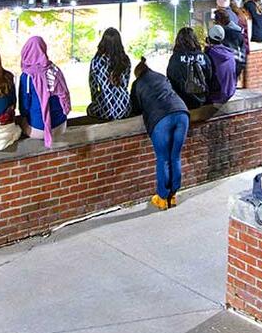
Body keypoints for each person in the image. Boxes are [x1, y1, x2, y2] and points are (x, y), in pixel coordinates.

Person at [129, 58, 189, 210]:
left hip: (161, 119)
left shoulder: (137, 84)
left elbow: (134, 108)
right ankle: (173, 196)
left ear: (138, 73)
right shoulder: (161, 77)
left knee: (163, 159)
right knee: (175, 156)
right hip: (181, 113)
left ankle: (162, 198)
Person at [18, 35, 72, 147]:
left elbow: (24, 107)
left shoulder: (27, 76)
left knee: (21, 122)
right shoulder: (55, 70)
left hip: (39, 129)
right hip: (61, 124)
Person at [86, 27, 131, 120]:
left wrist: (96, 100)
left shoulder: (96, 61)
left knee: (90, 109)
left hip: (105, 109)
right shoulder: (125, 60)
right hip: (125, 108)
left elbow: (93, 86)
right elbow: (125, 84)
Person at [166, 27, 213, 109]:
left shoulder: (175, 59)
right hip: (202, 101)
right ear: (194, 39)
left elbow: (170, 81)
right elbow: (209, 77)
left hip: (182, 103)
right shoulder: (204, 57)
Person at [204, 24, 237, 103]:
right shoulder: (230, 53)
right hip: (230, 92)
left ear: (208, 39)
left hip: (217, 95)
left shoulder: (210, 54)